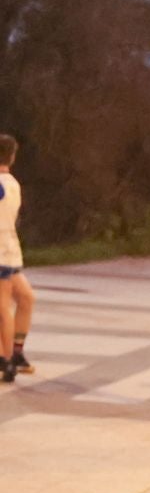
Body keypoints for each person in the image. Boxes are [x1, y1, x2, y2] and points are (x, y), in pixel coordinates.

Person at [0, 133, 34, 383]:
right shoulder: (12, 182)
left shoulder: (5, 184)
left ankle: (8, 358)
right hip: (9, 246)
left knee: (6, 304)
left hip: (3, 247)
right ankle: (13, 354)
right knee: (24, 297)